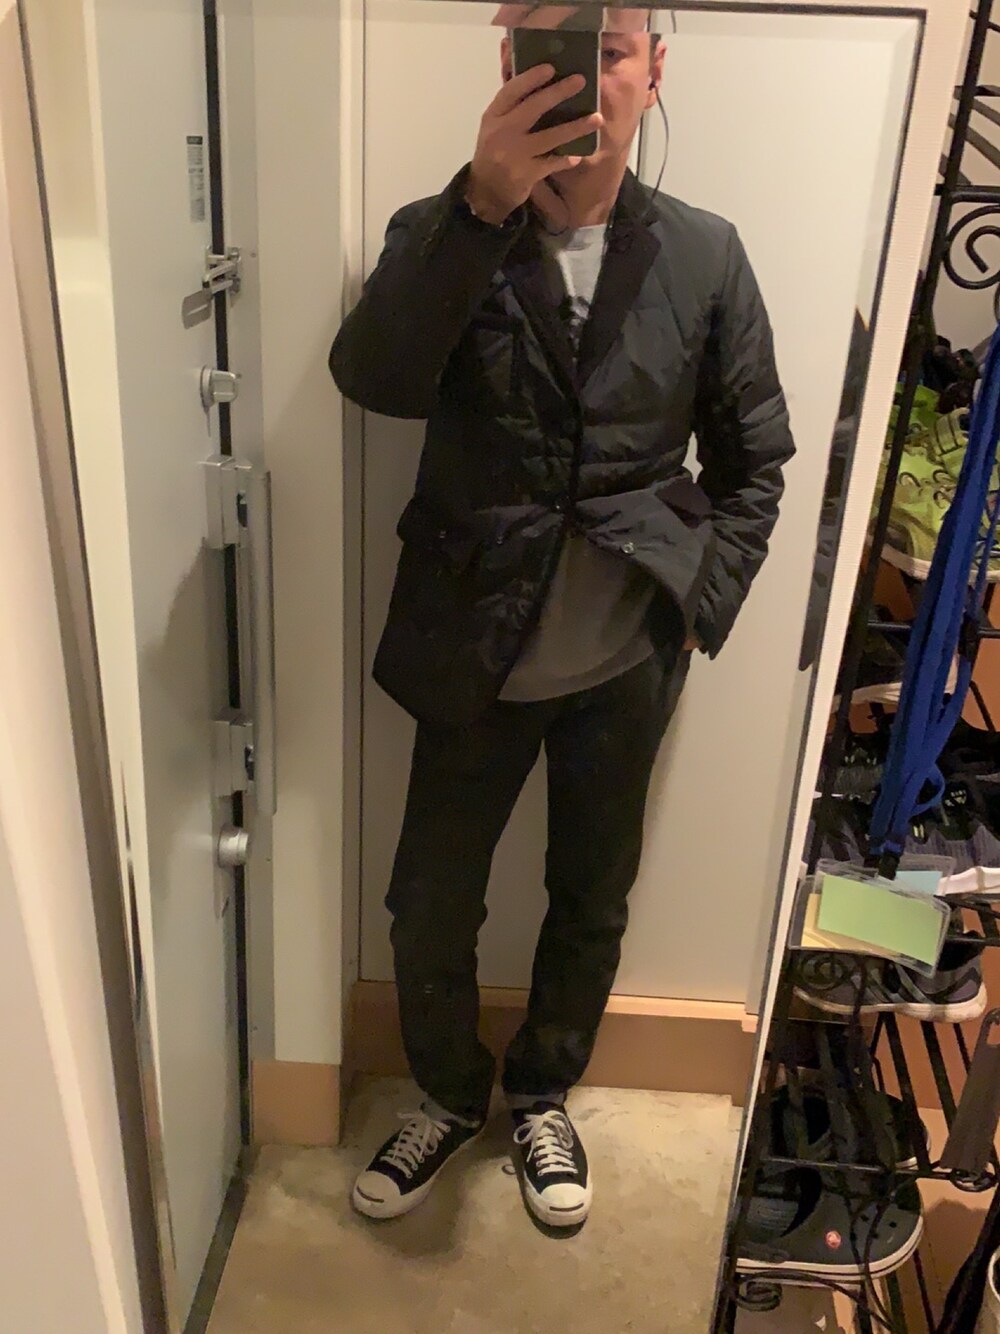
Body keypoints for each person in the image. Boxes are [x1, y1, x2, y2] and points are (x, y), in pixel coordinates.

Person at [329, 14, 795, 1230]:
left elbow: (756, 460)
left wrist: (697, 604)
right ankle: (446, 1089)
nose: (588, 74)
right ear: (507, 70)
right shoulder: (439, 232)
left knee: (591, 893)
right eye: (545, 46)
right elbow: (374, 379)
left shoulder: (704, 253)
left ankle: (541, 1090)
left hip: (626, 656)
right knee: (429, 902)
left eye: (612, 46)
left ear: (652, 70)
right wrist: (480, 205)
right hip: (472, 647)